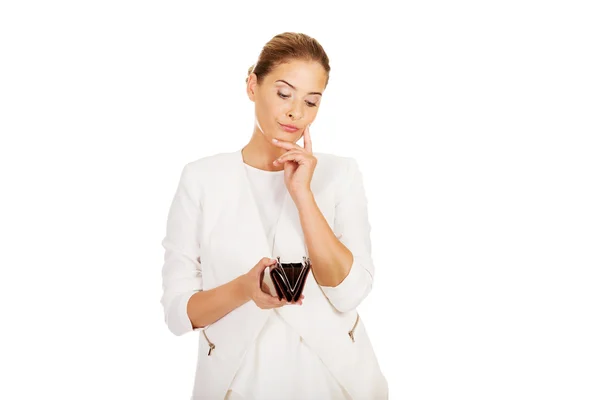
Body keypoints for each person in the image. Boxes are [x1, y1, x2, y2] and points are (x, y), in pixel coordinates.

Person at [160, 32, 388, 400]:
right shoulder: (201, 179)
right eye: (284, 94)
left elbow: (349, 292)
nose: (296, 112)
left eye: (311, 101)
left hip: (333, 383)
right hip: (240, 384)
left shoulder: (340, 174)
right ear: (252, 85)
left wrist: (303, 196)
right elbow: (178, 314)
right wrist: (245, 289)